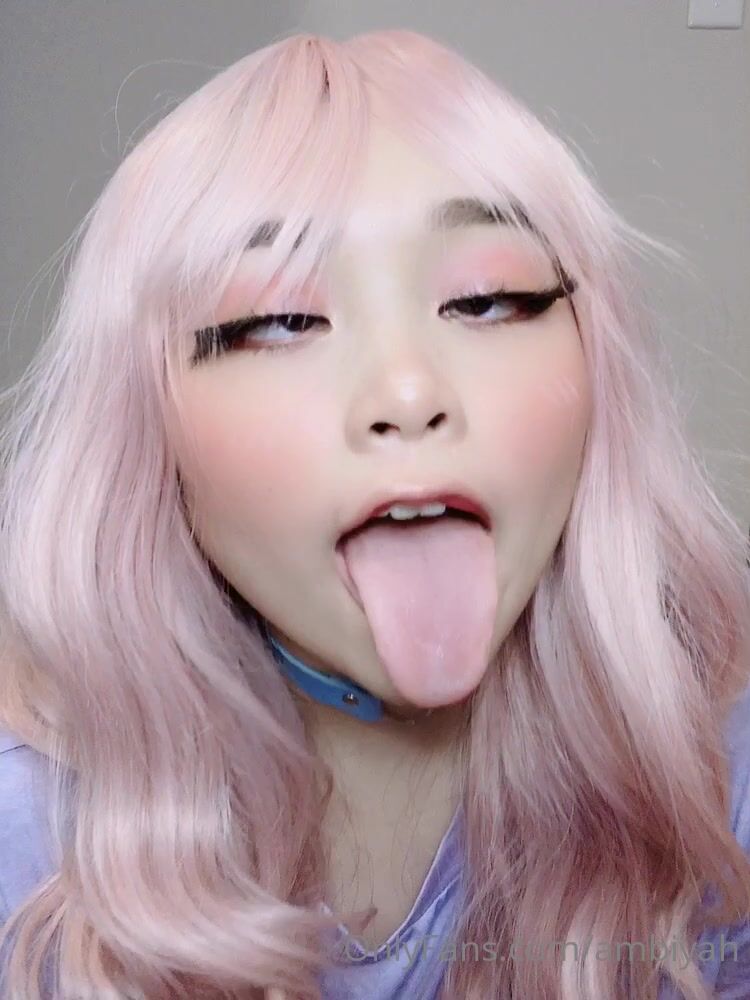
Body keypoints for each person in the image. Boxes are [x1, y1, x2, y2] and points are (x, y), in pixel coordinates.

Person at [1, 27, 749, 1000]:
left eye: (488, 299)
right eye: (280, 320)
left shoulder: (714, 769)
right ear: (147, 431)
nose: (407, 391)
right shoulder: (27, 834)